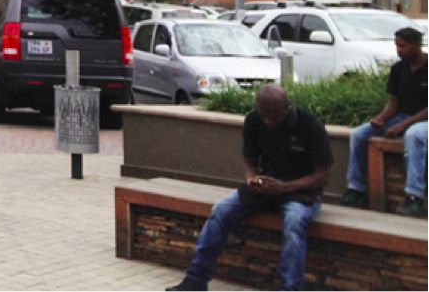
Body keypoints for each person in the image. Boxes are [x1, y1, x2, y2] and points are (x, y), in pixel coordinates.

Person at [166, 84, 332, 292]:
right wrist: (252, 179)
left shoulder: (310, 126)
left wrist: (285, 187)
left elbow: (323, 176)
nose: (269, 121)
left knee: (294, 223)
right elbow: (250, 159)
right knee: (220, 210)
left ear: (286, 107)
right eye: (264, 116)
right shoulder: (254, 120)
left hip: (300, 192)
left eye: (274, 116)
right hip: (265, 188)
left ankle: (290, 288)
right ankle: (196, 280)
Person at [340, 26, 428, 216]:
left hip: (423, 121)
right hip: (402, 116)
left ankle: (414, 196)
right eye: (396, 45)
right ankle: (356, 189)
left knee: (414, 136)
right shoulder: (398, 68)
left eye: (403, 46)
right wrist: (381, 118)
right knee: (359, 134)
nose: (398, 50)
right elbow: (393, 102)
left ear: (416, 45)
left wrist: (402, 125)